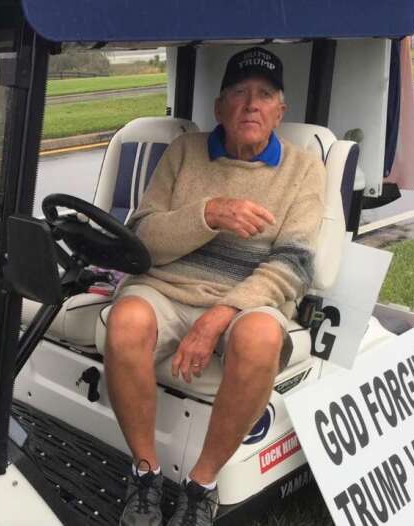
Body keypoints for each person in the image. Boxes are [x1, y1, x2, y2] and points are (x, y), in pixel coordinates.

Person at [104, 47, 326, 526]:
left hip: (248, 300)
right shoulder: (184, 152)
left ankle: (201, 486)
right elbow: (142, 238)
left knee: (262, 337)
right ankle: (145, 474)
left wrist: (219, 316)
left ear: (280, 111)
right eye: (240, 94)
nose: (252, 105)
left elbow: (293, 266)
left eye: (265, 95)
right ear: (219, 107)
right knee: (125, 321)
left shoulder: (304, 168)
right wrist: (207, 214)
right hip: (166, 288)